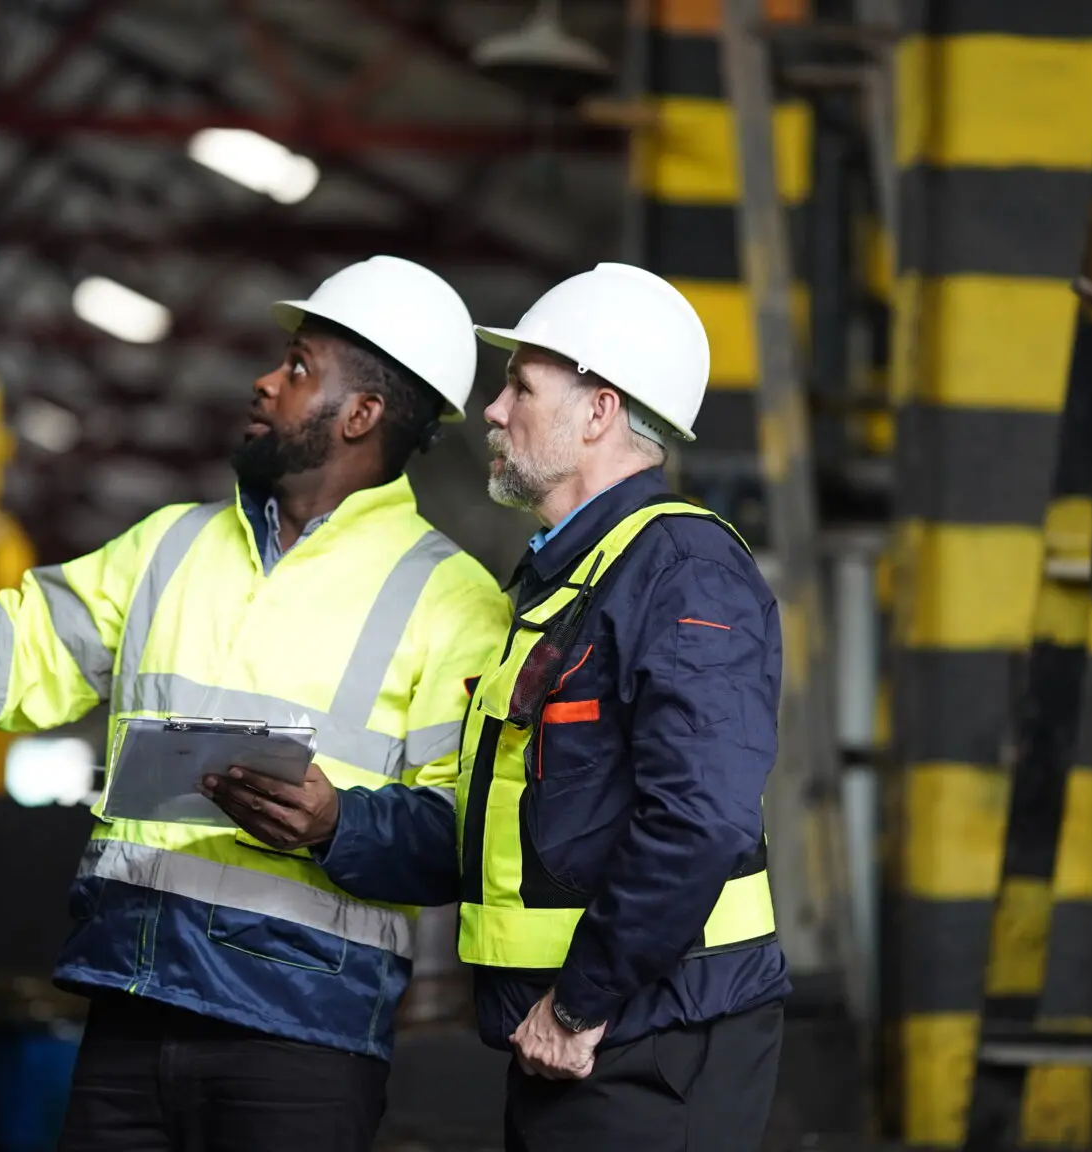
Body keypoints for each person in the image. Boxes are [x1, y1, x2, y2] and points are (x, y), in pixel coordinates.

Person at [0, 255, 513, 1152]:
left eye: (298, 368)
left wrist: (337, 825)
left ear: (360, 414)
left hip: (302, 1042)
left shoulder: (451, 600)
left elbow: (465, 833)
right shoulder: (170, 545)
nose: (265, 380)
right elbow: (17, 659)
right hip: (132, 1010)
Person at [202, 262, 789, 1152]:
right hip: (579, 1038)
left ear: (599, 411)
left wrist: (581, 1001)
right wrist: (337, 825)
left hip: (651, 1038)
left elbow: (700, 818)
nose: (493, 410)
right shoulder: (571, 583)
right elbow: (506, 826)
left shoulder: (682, 572)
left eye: (521, 387)